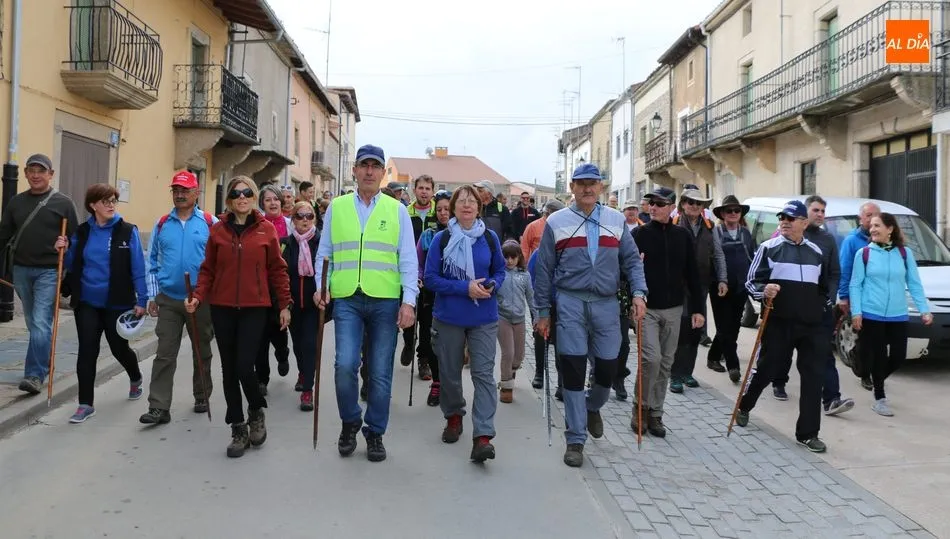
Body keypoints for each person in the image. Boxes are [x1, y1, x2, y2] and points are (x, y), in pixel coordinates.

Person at [534, 163, 647, 467]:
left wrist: (639, 293)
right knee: (572, 370)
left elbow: (632, 261)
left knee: (608, 371)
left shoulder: (616, 220)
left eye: (592, 183)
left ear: (600, 187)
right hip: (570, 303)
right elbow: (543, 270)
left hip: (607, 305)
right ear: (572, 187)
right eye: (581, 183)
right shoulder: (556, 221)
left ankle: (592, 405)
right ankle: (575, 438)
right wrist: (542, 311)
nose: (587, 188)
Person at [313, 144, 418, 463]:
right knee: (345, 365)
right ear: (355, 171)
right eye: (364, 165)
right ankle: (350, 422)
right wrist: (321, 287)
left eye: (375, 166)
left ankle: (375, 432)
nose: (369, 171)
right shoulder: (337, 207)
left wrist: (409, 302)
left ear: (383, 172)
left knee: (381, 372)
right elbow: (325, 253)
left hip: (385, 300)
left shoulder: (397, 210)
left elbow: (408, 260)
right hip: (347, 298)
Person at [187, 176, 292, 458]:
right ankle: (237, 427)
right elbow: (208, 269)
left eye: (247, 193)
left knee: (245, 365)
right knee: (229, 370)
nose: (242, 197)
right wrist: (198, 296)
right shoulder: (218, 231)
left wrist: (284, 304)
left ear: (254, 197)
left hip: (255, 307)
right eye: (236, 194)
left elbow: (277, 269)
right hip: (222, 307)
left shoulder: (266, 230)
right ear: (229, 200)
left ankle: (256, 409)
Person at [735, 200, 831, 453]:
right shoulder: (769, 248)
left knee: (813, 377)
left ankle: (808, 434)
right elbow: (751, 282)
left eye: (791, 218)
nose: (785, 222)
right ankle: (745, 405)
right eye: (782, 218)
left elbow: (823, 287)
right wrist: (764, 290)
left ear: (804, 223)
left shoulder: (816, 252)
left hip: (811, 325)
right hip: (779, 322)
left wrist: (822, 307)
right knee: (767, 369)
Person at [424, 185, 505, 462]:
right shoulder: (442, 239)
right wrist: (464, 288)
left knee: (483, 375)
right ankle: (454, 416)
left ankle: (483, 436)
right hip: (449, 317)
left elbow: (500, 270)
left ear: (479, 207)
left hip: (484, 318)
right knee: (449, 373)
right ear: (453, 208)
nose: (467, 205)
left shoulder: (490, 238)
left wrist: (492, 284)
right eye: (462, 201)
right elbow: (431, 278)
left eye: (472, 201)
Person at [56, 183, 147, 423]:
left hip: (117, 302)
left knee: (119, 348)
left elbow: (138, 267)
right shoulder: (83, 231)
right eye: (105, 201)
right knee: (87, 351)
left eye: (113, 200)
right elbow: (71, 264)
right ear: (92, 205)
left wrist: (142, 299)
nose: (110, 205)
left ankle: (135, 376)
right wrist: (63, 250)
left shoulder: (127, 231)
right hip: (87, 301)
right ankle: (85, 404)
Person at [140, 171, 217, 425]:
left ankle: (202, 395)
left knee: (201, 350)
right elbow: (152, 260)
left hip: (200, 299)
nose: (180, 195)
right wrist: (153, 295)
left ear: (196, 192)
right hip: (169, 299)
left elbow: (220, 261)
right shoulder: (162, 223)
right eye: (176, 190)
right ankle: (159, 407)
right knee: (165, 353)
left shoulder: (210, 222)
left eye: (185, 190)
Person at [768, 196, 855, 416]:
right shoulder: (786, 236)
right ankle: (778, 381)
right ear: (804, 215)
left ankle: (832, 399)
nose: (820, 214)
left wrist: (829, 299)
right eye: (816, 210)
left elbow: (834, 272)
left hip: (818, 309)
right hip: (789, 307)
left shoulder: (827, 239)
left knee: (823, 353)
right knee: (784, 349)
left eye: (823, 211)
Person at [0, 153, 79, 395]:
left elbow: (76, 238)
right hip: (21, 269)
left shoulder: (63, 203)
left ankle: (34, 375)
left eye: (41, 171)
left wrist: (66, 244)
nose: (36, 175)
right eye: (31, 171)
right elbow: (4, 235)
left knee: (40, 322)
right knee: (33, 322)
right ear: (25, 174)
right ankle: (43, 362)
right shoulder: (16, 203)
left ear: (50, 174)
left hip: (49, 271)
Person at [630, 187, 704, 438]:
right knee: (650, 359)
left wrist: (698, 309)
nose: (653, 207)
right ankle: (640, 408)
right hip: (647, 308)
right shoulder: (639, 234)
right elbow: (626, 268)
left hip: (674, 309)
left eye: (660, 204)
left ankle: (655, 412)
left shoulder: (682, 236)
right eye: (651, 203)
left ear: (672, 207)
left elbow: (693, 274)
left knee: (665, 363)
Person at [850, 212, 931, 417]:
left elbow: (914, 283)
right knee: (878, 356)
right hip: (871, 313)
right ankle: (880, 398)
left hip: (898, 314)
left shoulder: (904, 253)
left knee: (898, 356)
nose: (872, 229)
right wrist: (856, 312)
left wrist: (924, 309)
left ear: (890, 229)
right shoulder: (864, 254)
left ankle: (874, 376)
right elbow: (855, 285)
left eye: (877, 225)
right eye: (871, 226)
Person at [670, 188, 726, 393]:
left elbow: (718, 255)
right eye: (690, 202)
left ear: (703, 207)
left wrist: (722, 279)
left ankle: (687, 372)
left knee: (696, 330)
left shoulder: (710, 227)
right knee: (681, 329)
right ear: (683, 204)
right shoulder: (674, 224)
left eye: (699, 203)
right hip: (678, 286)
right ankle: (675, 375)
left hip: (701, 285)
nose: (694, 206)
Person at [706, 195, 755, 383]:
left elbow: (752, 258)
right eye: (729, 211)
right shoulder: (716, 233)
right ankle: (733, 366)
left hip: (741, 288)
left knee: (733, 327)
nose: (733, 213)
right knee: (724, 327)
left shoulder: (746, 234)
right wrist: (719, 280)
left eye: (737, 210)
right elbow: (712, 260)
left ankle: (713, 357)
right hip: (720, 287)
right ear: (722, 214)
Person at [281, 201, 321, 411]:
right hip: (293, 304)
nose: (305, 220)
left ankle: (307, 390)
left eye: (309, 216)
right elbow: (280, 275)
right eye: (300, 216)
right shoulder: (285, 244)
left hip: (314, 305)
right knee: (297, 344)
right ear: (293, 219)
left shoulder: (321, 242)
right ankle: (303, 372)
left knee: (309, 345)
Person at [838, 201, 881, 391]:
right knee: (865, 337)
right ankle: (865, 374)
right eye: (868, 215)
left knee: (877, 338)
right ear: (860, 218)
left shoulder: (884, 240)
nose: (872, 219)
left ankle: (865, 362)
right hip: (860, 297)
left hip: (879, 297)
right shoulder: (852, 241)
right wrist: (844, 296)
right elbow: (845, 269)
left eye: (876, 215)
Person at [255, 185, 292, 395]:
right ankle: (262, 379)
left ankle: (282, 354)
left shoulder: (289, 225)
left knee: (279, 330)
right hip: (259, 288)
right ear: (262, 204)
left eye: (276, 199)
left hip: (280, 287)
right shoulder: (256, 225)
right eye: (268, 200)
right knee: (259, 336)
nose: (272, 203)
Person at [417, 189, 452, 406]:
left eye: (447, 209)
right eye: (439, 209)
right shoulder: (428, 235)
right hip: (430, 296)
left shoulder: (463, 234)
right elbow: (419, 262)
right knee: (432, 341)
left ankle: (450, 383)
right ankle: (437, 383)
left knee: (452, 343)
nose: (443, 213)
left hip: (455, 296)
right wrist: (419, 277)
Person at [401, 174, 439, 377]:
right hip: (409, 272)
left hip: (430, 274)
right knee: (409, 315)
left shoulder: (438, 213)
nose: (424, 192)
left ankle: (423, 359)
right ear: (414, 190)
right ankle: (408, 343)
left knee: (426, 321)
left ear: (432, 191)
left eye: (427, 188)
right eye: (421, 188)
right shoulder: (405, 213)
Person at [496, 240, 536, 403]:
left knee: (519, 355)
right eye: (506, 257)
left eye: (513, 257)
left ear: (519, 257)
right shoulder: (499, 274)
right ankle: (506, 386)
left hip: (519, 319)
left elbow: (531, 297)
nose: (510, 261)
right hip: (502, 317)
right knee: (508, 352)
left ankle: (511, 370)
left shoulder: (525, 275)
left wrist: (536, 316)